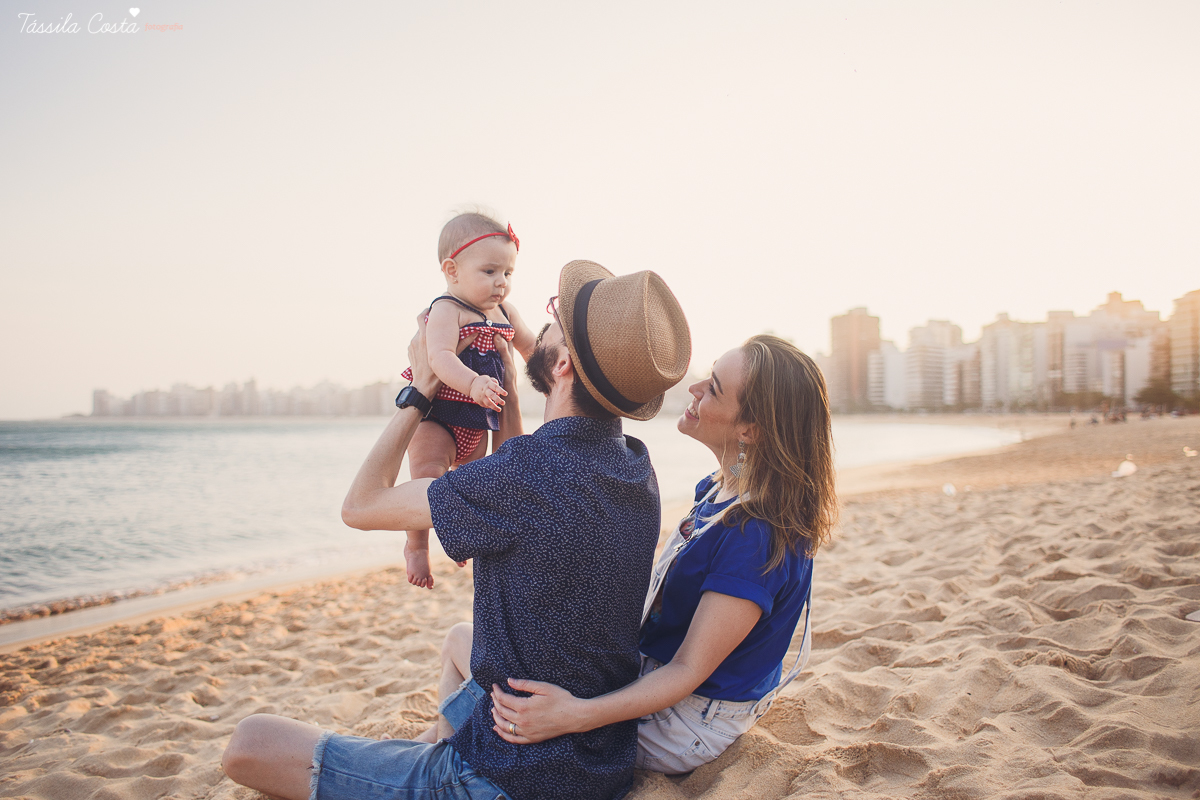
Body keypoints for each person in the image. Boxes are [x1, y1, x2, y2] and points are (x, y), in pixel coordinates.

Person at [221, 260, 692, 800]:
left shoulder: (524, 474)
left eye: (555, 317)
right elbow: (526, 462)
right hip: (598, 762)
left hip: (509, 779)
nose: (542, 320)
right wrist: (506, 393)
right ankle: (438, 744)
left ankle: (439, 766)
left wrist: (421, 386)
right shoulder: (636, 464)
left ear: (561, 363)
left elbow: (361, 505)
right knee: (458, 640)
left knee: (250, 742)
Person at [447, 334, 837, 774]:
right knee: (467, 643)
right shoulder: (722, 489)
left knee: (502, 694)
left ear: (750, 430)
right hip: (658, 679)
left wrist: (573, 714)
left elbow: (688, 671)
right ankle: (441, 748)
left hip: (685, 721)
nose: (694, 390)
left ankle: (440, 754)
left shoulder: (756, 535)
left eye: (712, 388)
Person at [399, 212, 537, 589]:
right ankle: (417, 545)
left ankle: (460, 533)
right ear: (452, 269)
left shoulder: (506, 313)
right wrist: (474, 382)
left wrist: (550, 368)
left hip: (478, 422)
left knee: (473, 487)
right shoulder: (447, 309)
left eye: (508, 273)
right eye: (489, 271)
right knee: (427, 478)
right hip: (439, 415)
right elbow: (440, 357)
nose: (501, 283)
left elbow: (530, 348)